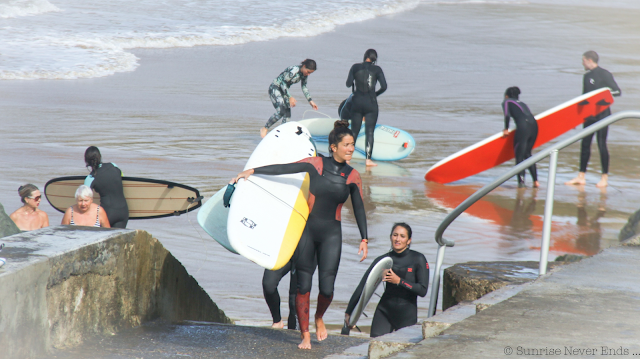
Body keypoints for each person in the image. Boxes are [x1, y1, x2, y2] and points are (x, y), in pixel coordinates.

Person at [233, 120, 369, 349]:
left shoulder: (353, 176)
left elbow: (359, 208)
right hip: (307, 232)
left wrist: (364, 238)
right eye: (347, 144)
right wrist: (252, 171)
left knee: (327, 288)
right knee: (303, 286)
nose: (351, 149)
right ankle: (305, 334)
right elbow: (284, 168)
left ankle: (319, 317)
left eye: (353, 144)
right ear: (333, 147)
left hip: (331, 235)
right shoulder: (315, 164)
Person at [344, 223, 428, 338]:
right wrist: (349, 312)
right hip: (384, 311)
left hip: (406, 315)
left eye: (402, 236)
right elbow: (364, 285)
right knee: (375, 346)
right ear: (390, 237)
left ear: (409, 240)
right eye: (395, 235)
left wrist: (399, 281)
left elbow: (422, 290)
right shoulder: (383, 260)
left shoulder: (418, 259)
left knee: (403, 353)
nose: (398, 239)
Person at [566, 50, 622, 188]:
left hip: (602, 115)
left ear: (589, 60)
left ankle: (604, 178)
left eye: (583, 60)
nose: (582, 63)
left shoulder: (605, 74)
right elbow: (583, 99)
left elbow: (617, 91)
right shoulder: (586, 77)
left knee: (601, 144)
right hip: (589, 116)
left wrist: (601, 98)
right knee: (585, 144)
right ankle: (581, 176)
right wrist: (575, 118)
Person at [345, 49, 387, 167]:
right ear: (375, 59)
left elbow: (348, 84)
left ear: (365, 56)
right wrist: (374, 94)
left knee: (354, 131)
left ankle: (348, 159)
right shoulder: (377, 69)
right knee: (369, 132)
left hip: (357, 102)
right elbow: (384, 87)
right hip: (371, 103)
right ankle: (368, 160)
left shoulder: (355, 67)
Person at [261, 59, 319, 138]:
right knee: (281, 111)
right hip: (275, 88)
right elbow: (282, 83)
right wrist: (290, 97)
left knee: (287, 115)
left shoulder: (303, 74)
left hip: (284, 91)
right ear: (304, 66)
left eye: (310, 73)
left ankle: (281, 135)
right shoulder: (294, 70)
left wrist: (310, 101)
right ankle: (265, 128)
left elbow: (304, 87)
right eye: (308, 72)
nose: (308, 74)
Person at [501, 86, 540, 188]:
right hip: (534, 126)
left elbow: (507, 115)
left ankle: (521, 184)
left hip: (523, 127)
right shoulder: (523, 103)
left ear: (506, 95)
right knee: (528, 154)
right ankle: (536, 181)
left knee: (519, 156)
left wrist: (506, 129)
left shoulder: (507, 101)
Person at [84, 146, 129, 228]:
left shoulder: (90, 178)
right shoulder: (113, 165)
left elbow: (85, 199)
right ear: (100, 156)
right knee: (117, 240)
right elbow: (124, 179)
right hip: (124, 211)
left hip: (107, 213)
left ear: (86, 161)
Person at [262, 262, 297, 330]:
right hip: (283, 252)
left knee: (294, 301)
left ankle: (294, 333)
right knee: (269, 285)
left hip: (304, 253)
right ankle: (277, 321)